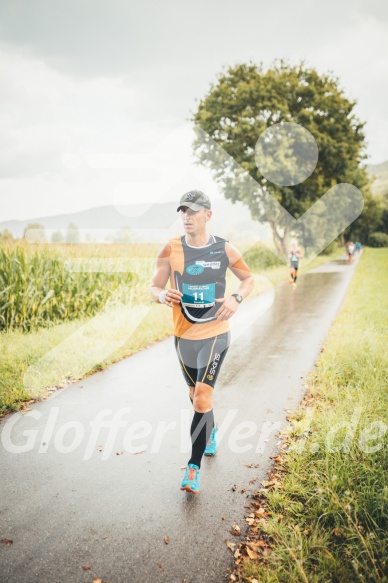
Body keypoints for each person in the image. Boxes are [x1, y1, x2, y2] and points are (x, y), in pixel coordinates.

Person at [150, 190, 255, 494]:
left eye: (193, 212)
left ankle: (192, 469)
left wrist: (236, 298)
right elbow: (154, 285)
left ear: (208, 215)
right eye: (183, 211)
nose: (187, 217)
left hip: (215, 334)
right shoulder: (170, 250)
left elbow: (248, 279)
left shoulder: (225, 249)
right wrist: (160, 295)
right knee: (195, 395)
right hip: (183, 336)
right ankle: (210, 427)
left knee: (201, 399)